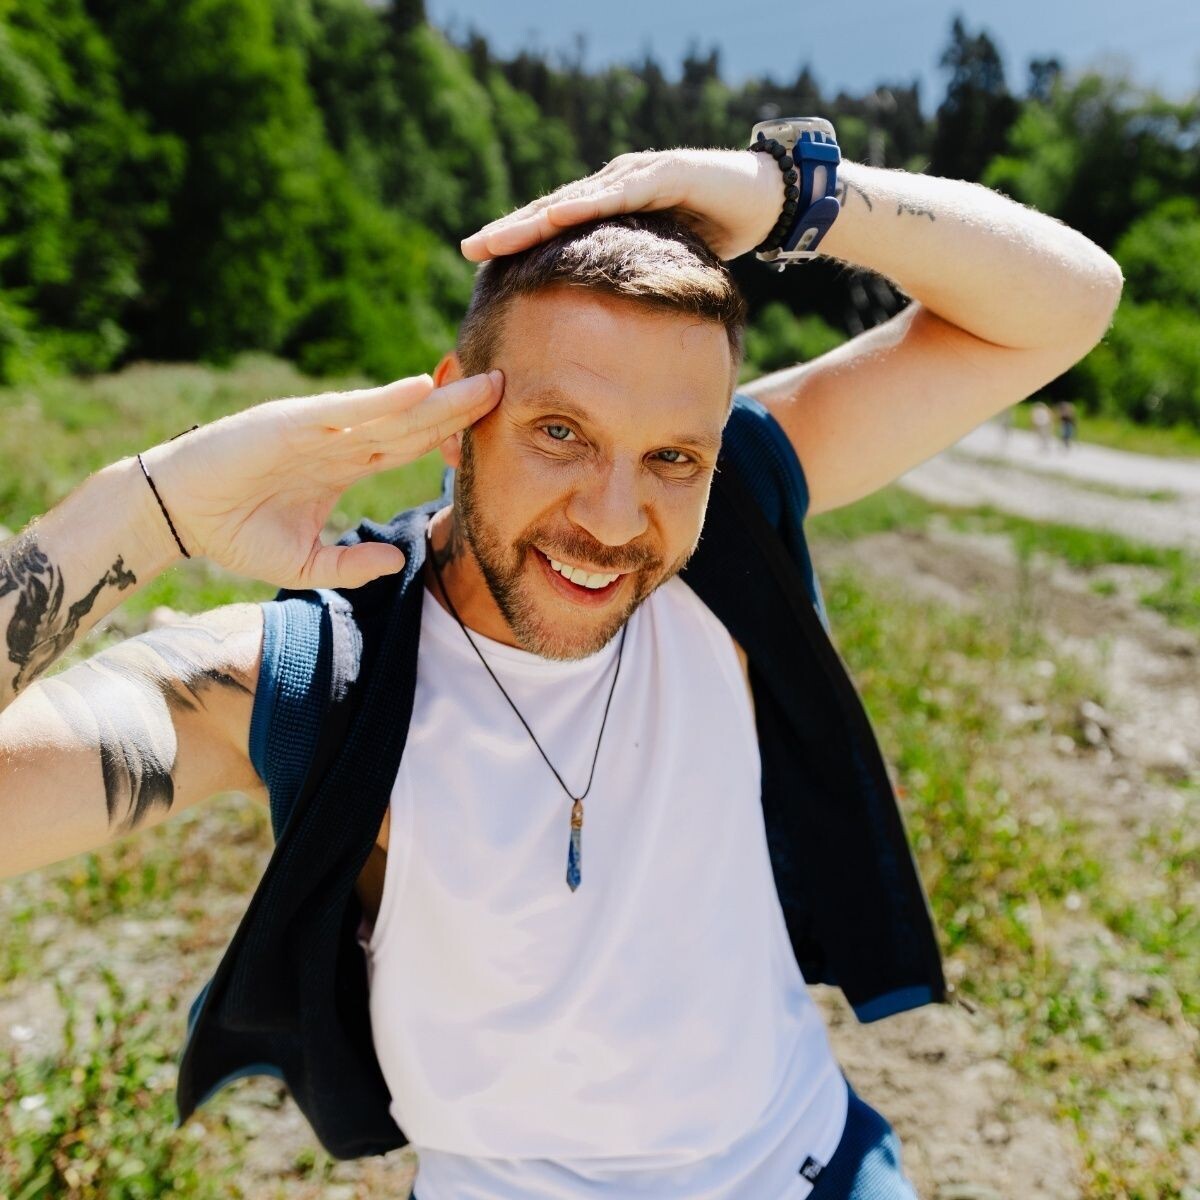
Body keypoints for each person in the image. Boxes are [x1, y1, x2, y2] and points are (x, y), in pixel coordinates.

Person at [0, 138, 1122, 1198]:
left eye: (672, 456)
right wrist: (145, 509)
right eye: (560, 433)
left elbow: (1069, 302)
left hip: (811, 1166)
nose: (614, 518)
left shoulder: (728, 541)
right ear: (456, 413)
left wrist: (788, 190)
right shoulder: (322, 675)